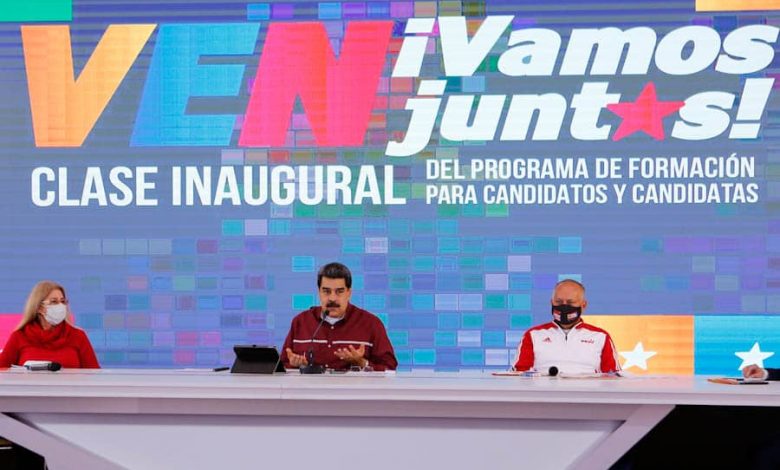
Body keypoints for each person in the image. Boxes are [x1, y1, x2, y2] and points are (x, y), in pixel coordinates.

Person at [281, 262, 397, 371]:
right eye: (326, 291)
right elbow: (281, 367)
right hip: (309, 386)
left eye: (339, 291)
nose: (332, 298)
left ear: (349, 293)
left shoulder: (371, 324)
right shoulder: (301, 322)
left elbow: (389, 368)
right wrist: (294, 365)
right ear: (319, 292)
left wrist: (362, 363)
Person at [512, 279, 620, 374]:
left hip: (586, 391)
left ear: (583, 305)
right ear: (551, 303)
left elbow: (613, 377)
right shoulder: (533, 335)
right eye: (558, 302)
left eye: (570, 302)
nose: (564, 306)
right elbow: (519, 374)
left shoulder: (600, 336)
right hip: (544, 391)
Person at [0, 281, 99, 368]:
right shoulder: (19, 336)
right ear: (39, 307)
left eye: (63, 301)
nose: (60, 306)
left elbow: (94, 374)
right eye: (54, 302)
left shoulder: (78, 336)